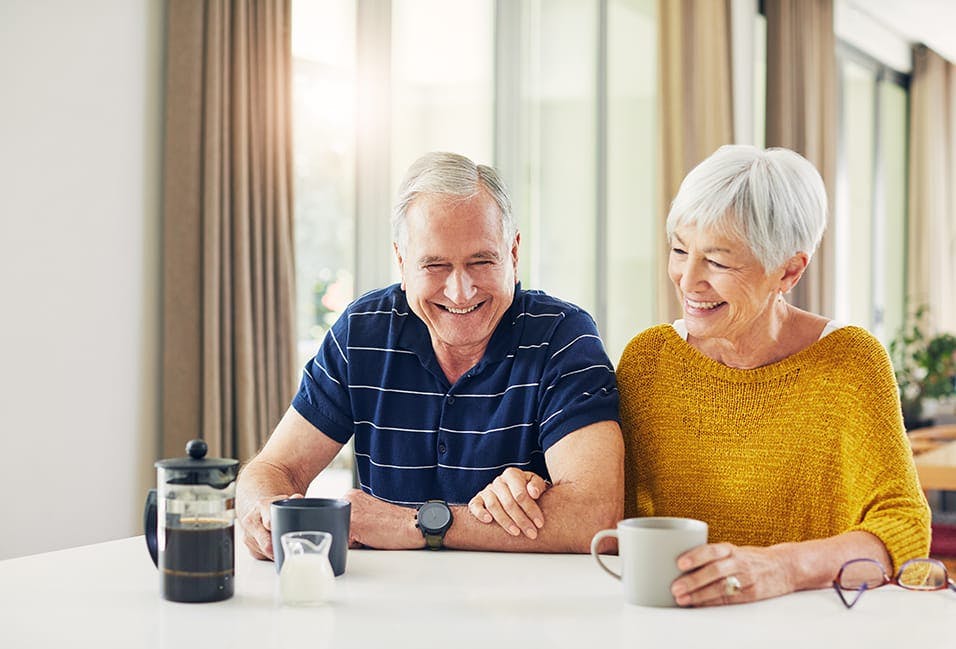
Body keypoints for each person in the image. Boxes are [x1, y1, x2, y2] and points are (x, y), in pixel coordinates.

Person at [237, 151, 623, 558]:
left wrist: (416, 524)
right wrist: (260, 512)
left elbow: (596, 516)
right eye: (435, 265)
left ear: (513, 252)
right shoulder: (362, 332)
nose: (460, 292)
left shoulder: (564, 337)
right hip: (386, 602)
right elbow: (276, 470)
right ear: (402, 263)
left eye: (481, 261)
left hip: (519, 607)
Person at [616, 145, 931, 606]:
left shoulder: (850, 362)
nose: (687, 280)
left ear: (789, 270)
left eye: (718, 262)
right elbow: (608, 507)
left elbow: (902, 525)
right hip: (672, 623)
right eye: (680, 250)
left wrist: (781, 567)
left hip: (808, 627)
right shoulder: (649, 361)